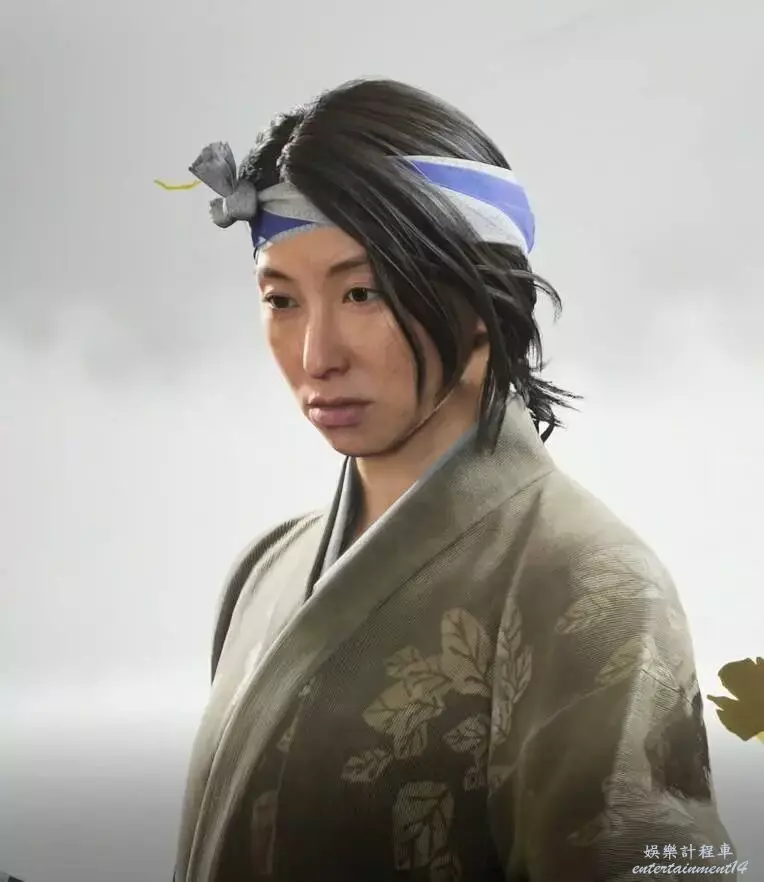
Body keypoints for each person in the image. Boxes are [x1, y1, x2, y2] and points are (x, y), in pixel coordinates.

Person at [172, 79, 735, 882]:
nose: (316, 355)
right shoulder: (264, 569)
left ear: (478, 300)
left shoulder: (590, 582)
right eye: (281, 300)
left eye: (361, 292)